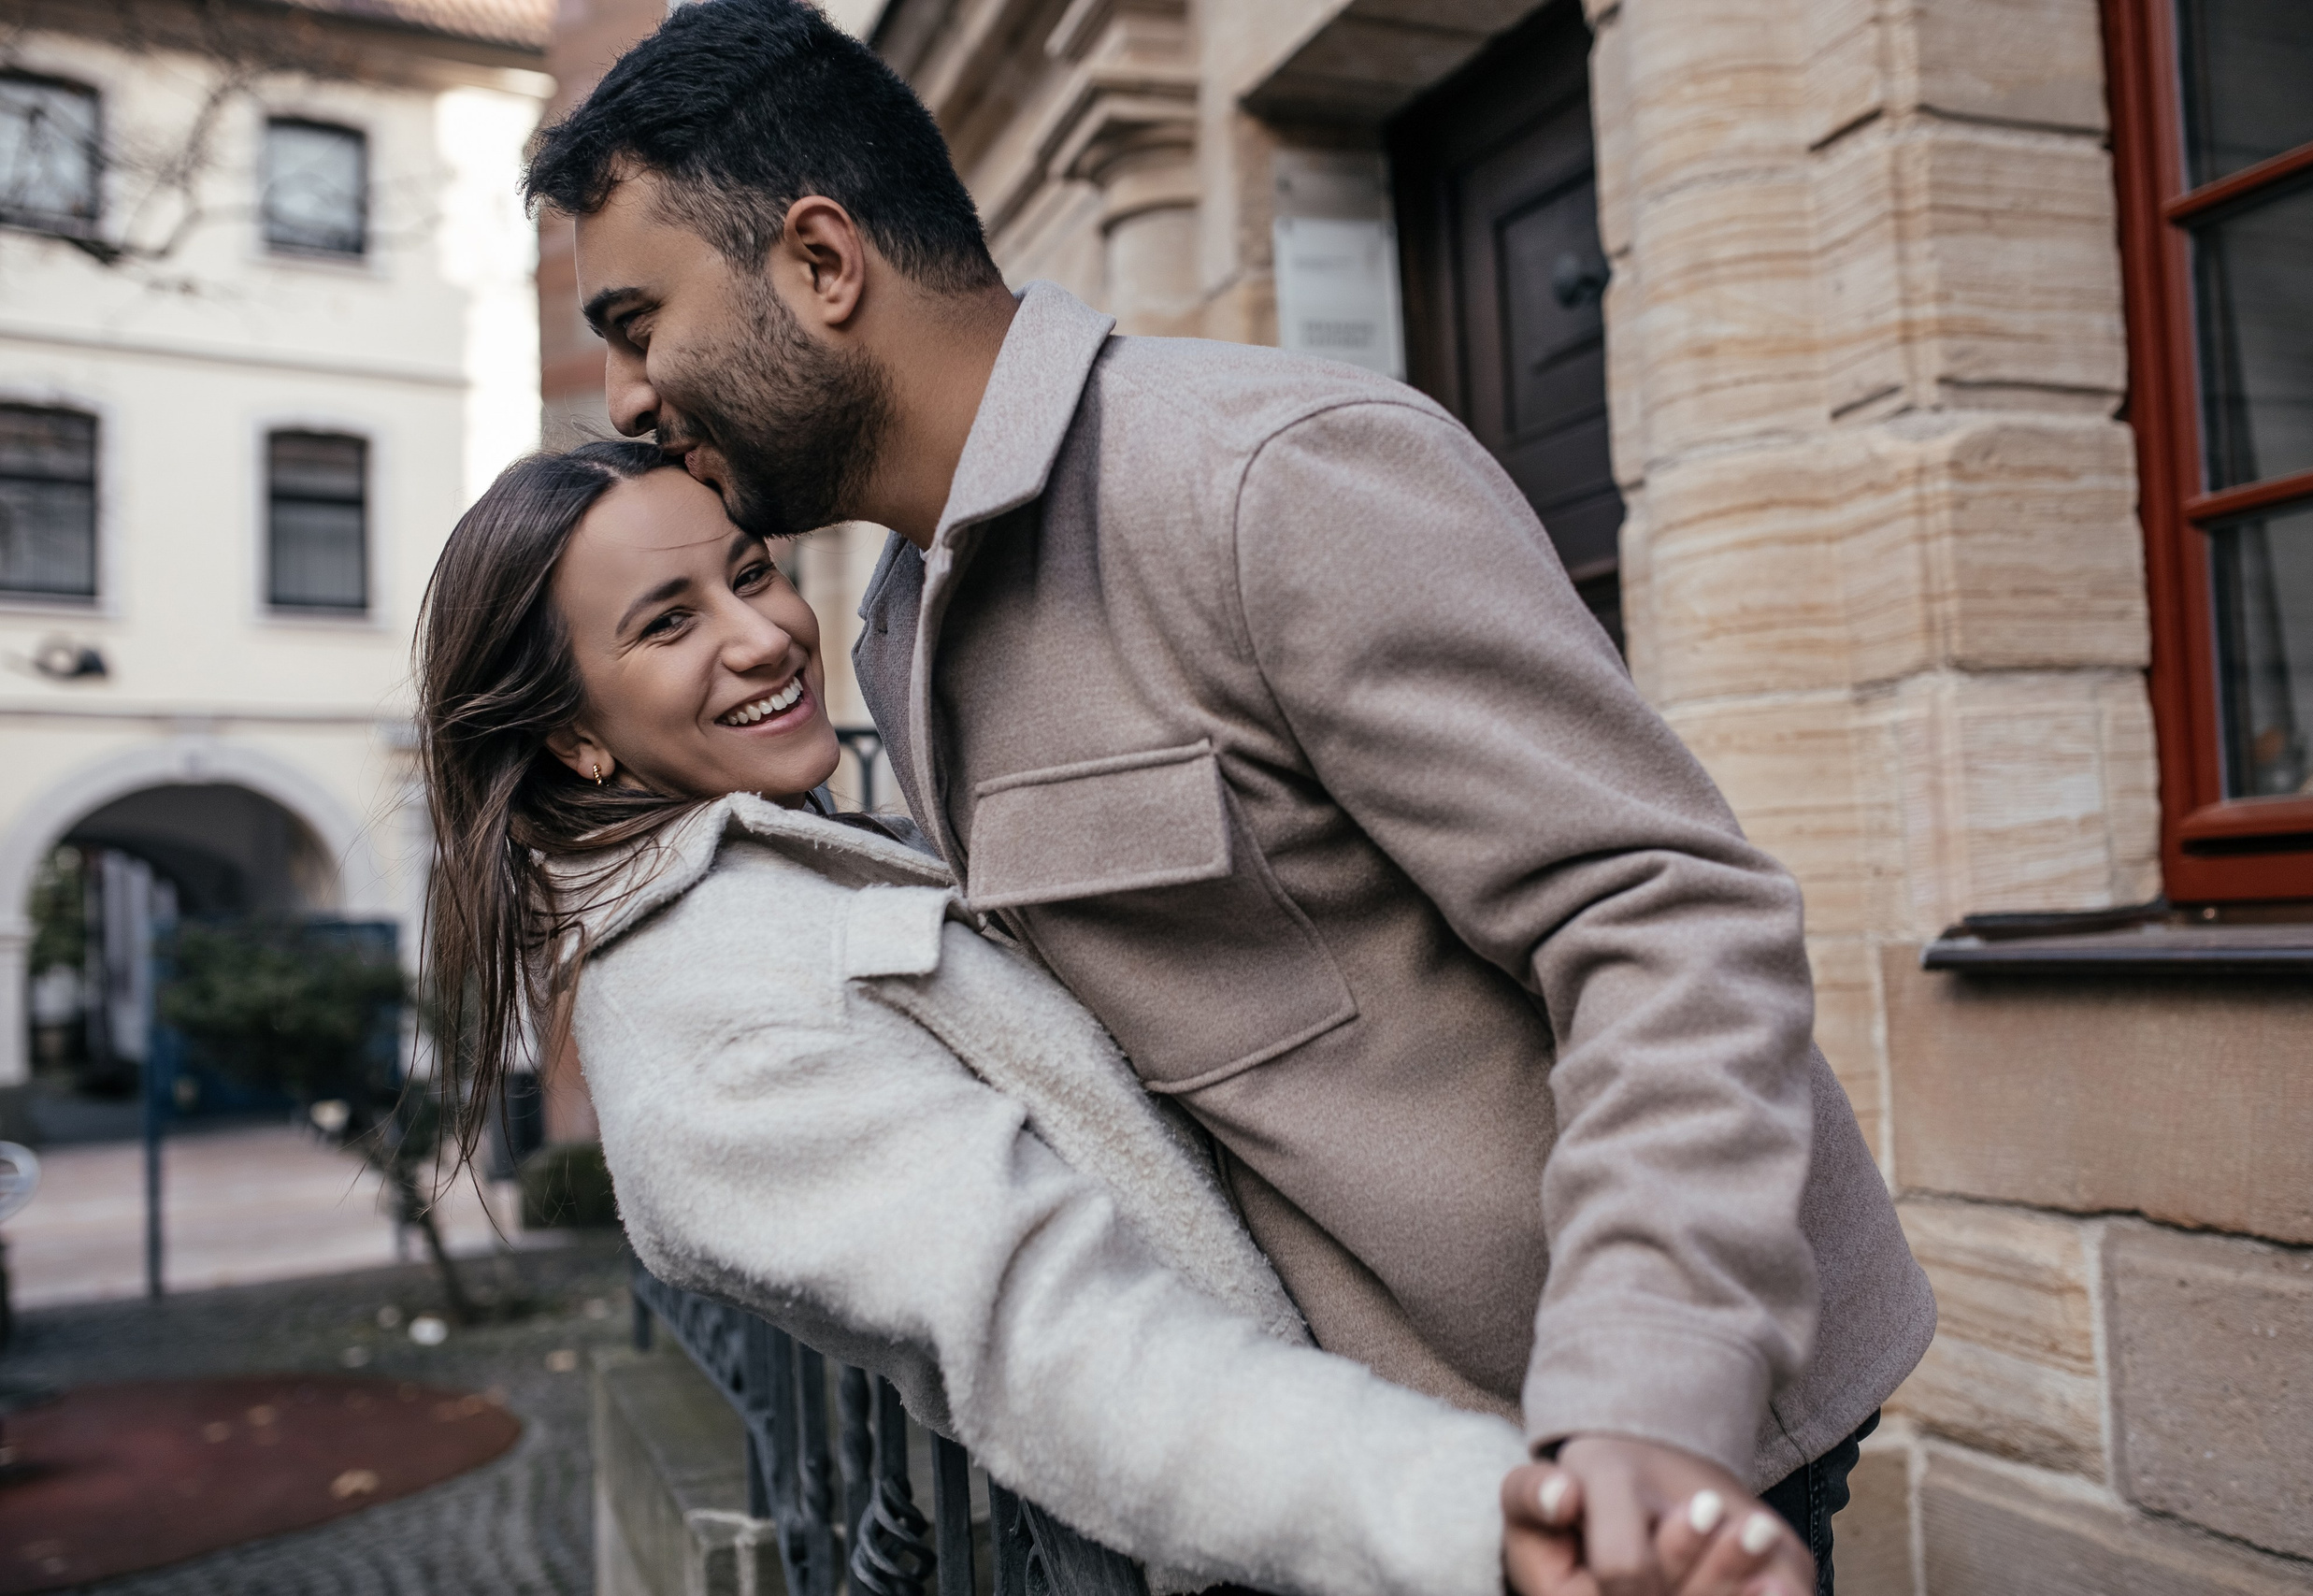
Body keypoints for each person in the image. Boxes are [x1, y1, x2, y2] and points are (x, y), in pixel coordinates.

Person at [524, 4, 1939, 1593]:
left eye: (643, 320)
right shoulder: (902, 624)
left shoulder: (1263, 478)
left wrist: (1641, 1418)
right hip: (1394, 1477)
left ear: (821, 263)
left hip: (1647, 1451)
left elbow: (1668, 920)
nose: (630, 392)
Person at [414, 439, 1536, 1596]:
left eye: (749, 576)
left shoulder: (792, 871)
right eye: (665, 624)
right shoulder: (713, 1015)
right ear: (572, 738)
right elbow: (1064, 1348)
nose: (762, 637)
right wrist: (1486, 1520)